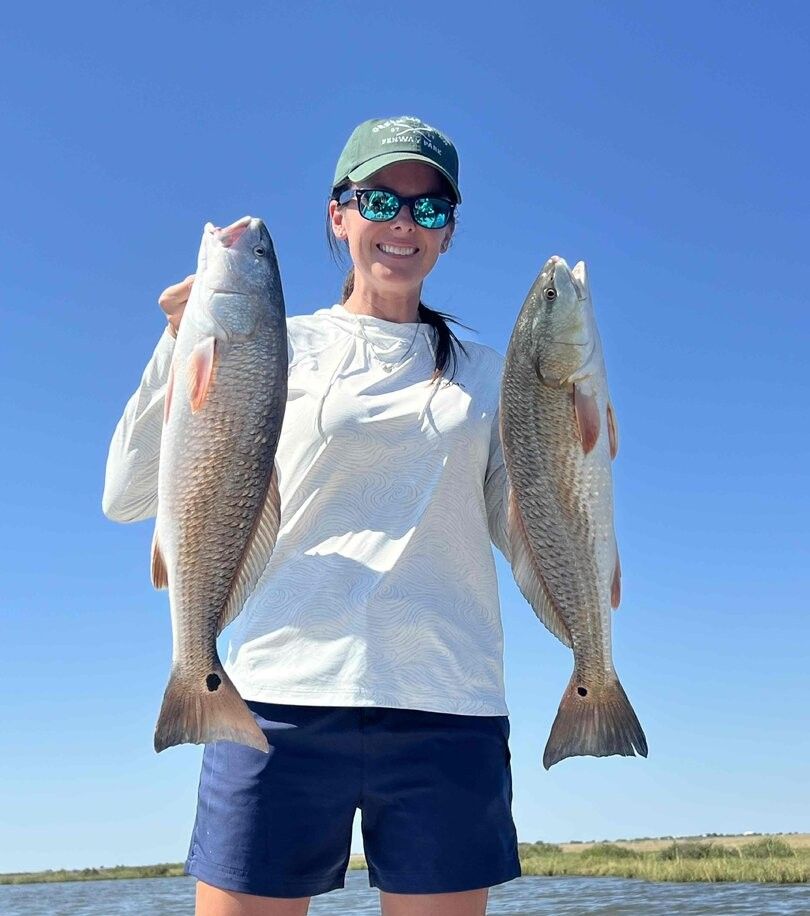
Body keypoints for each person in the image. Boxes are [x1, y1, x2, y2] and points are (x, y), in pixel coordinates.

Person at [103, 115, 521, 916]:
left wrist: (572, 451)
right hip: (272, 699)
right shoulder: (270, 344)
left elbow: (519, 526)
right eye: (380, 200)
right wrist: (176, 345)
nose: (404, 223)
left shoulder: (489, 375)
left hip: (447, 702)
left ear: (448, 233)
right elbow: (125, 495)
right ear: (339, 216)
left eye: (429, 208)